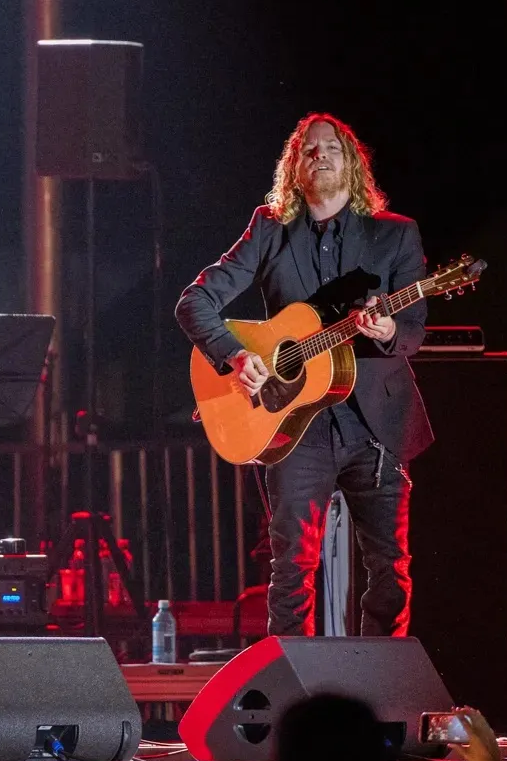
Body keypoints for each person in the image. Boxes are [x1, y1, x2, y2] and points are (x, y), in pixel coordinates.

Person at [175, 113, 431, 636]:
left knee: (389, 569)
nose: (321, 155)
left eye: (332, 147)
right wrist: (235, 355)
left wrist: (386, 329)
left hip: (375, 424)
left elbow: (412, 331)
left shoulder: (394, 235)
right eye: (309, 149)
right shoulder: (270, 229)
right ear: (293, 167)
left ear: (351, 161)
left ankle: (381, 683)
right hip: (293, 426)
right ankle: (295, 682)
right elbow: (194, 302)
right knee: (291, 568)